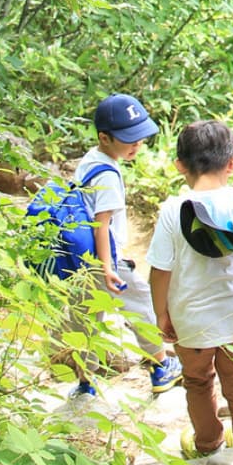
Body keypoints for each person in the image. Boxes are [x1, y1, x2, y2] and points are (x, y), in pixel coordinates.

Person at [148, 120, 233, 460]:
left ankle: (208, 443)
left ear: (180, 165)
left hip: (191, 320)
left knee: (198, 383)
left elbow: (160, 270)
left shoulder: (174, 210)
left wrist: (161, 312)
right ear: (232, 163)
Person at [70, 93, 181, 399]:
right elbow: (101, 223)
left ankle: (85, 383)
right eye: (129, 139)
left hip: (82, 260)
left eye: (140, 138)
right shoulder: (108, 174)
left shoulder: (91, 161)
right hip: (104, 261)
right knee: (140, 307)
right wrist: (109, 267)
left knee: (87, 320)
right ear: (104, 138)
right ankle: (161, 366)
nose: (137, 145)